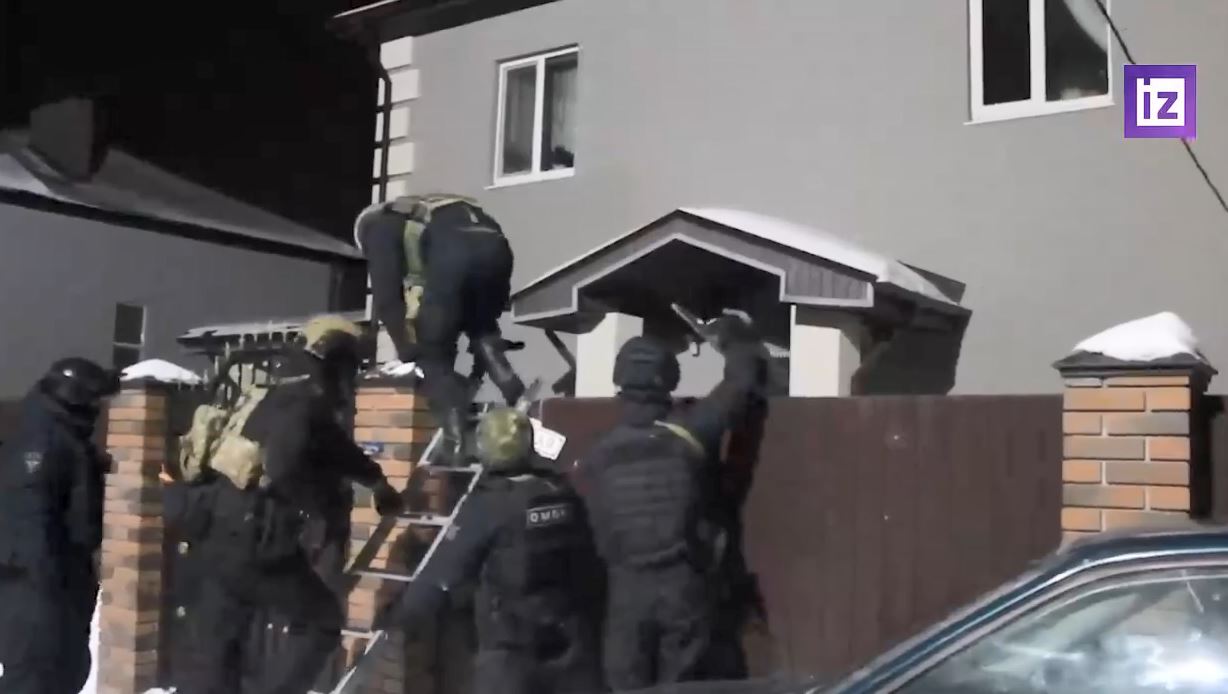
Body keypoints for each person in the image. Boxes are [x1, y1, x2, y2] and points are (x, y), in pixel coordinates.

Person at [172, 315, 405, 694]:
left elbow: (336, 449)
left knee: (218, 648)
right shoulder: (305, 402)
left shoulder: (273, 394)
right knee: (322, 620)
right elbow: (283, 466)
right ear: (334, 359)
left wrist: (376, 481)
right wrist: (316, 507)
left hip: (215, 532)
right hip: (255, 539)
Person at [575, 319, 768, 691]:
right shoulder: (692, 432)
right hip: (683, 588)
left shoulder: (598, 455)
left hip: (624, 594)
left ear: (620, 379)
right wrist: (730, 336)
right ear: (668, 378)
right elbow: (742, 380)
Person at [374, 407, 602, 694]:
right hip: (569, 644)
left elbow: (442, 574)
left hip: (513, 650)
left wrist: (398, 618)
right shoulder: (562, 494)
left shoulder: (490, 505)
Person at [354, 194, 525, 462]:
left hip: (453, 256)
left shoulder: (377, 228)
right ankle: (516, 394)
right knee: (482, 329)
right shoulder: (427, 210)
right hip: (497, 249)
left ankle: (455, 445)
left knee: (432, 356)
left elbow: (387, 298)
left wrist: (409, 350)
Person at [0, 358, 119, 694]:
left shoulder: (62, 438)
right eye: (94, 400)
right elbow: (30, 523)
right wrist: (48, 596)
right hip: (36, 589)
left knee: (66, 672)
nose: (98, 409)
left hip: (61, 584)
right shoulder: (40, 445)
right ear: (75, 398)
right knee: (34, 678)